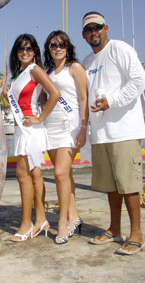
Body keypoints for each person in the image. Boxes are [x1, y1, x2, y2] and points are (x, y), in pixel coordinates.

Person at [82, 12, 145, 255]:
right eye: (89, 30)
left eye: (97, 27)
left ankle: (137, 234)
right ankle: (115, 228)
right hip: (101, 134)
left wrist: (112, 101)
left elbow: (139, 80)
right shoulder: (87, 61)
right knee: (111, 186)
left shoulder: (119, 48)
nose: (93, 32)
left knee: (128, 184)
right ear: (84, 35)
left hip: (124, 132)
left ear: (106, 28)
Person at [7, 34, 60, 242]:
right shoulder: (19, 73)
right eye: (21, 49)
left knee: (23, 175)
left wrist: (40, 117)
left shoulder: (35, 70)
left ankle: (26, 223)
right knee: (34, 175)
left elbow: (54, 93)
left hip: (30, 129)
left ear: (35, 51)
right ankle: (41, 219)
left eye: (29, 48)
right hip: (23, 128)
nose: (25, 52)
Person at [42, 30, 88, 244]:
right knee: (65, 175)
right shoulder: (48, 71)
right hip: (50, 127)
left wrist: (83, 126)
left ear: (68, 47)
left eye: (61, 44)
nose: (57, 48)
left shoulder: (75, 68)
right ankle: (74, 216)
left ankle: (63, 223)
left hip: (70, 127)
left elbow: (83, 98)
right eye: (53, 45)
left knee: (59, 173)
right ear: (48, 49)